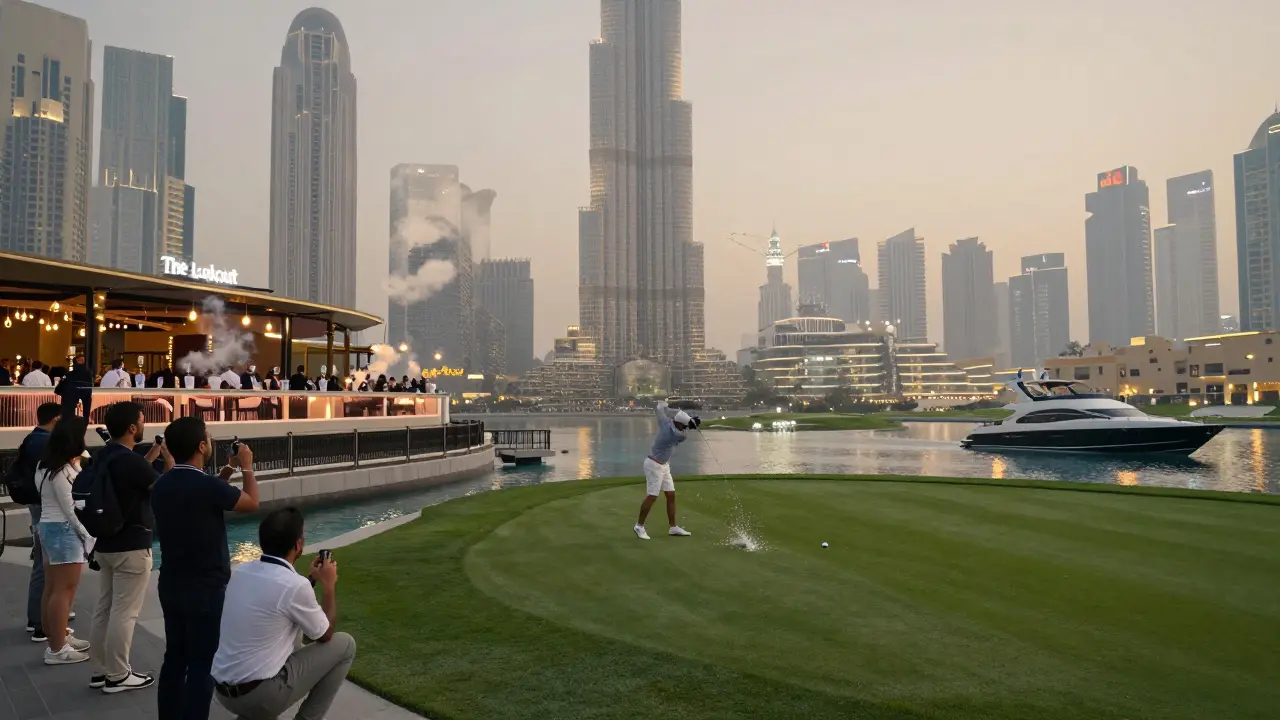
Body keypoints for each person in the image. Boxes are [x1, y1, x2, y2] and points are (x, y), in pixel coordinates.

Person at [151, 417, 259, 720]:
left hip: (171, 582)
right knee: (202, 663)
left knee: (175, 658)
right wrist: (247, 465)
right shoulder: (205, 486)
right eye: (208, 438)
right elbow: (251, 503)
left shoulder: (163, 484)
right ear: (201, 445)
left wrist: (229, 468)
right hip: (206, 588)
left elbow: (207, 490)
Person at [211, 509, 356, 719]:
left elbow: (280, 602)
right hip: (258, 697)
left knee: (294, 636)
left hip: (223, 691)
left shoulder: (241, 572)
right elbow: (324, 634)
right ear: (298, 545)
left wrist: (311, 580)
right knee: (346, 645)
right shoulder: (294, 586)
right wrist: (329, 586)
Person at [88, 401, 173, 693]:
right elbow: (164, 490)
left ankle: (100, 670)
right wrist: (169, 461)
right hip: (132, 545)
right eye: (142, 420)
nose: (145, 424)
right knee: (124, 612)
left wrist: (149, 457)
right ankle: (118, 674)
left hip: (105, 541)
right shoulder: (131, 462)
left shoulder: (105, 455)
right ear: (132, 428)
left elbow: (130, 481)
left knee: (105, 608)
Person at [35, 415, 93, 664]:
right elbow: (70, 507)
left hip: (49, 528)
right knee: (63, 590)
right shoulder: (60, 471)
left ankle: (56, 637)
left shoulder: (45, 465)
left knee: (52, 587)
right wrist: (87, 535)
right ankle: (57, 649)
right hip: (63, 529)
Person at [16, 403, 67, 643]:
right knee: (44, 562)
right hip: (45, 507)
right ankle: (39, 621)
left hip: (37, 504)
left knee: (45, 560)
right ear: (56, 419)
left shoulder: (31, 439)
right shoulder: (44, 444)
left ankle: (45, 615)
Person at [633, 401, 695, 540]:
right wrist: (691, 424)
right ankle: (639, 526)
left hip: (664, 465)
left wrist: (665, 404)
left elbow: (660, 408)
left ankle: (673, 527)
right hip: (654, 465)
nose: (685, 427)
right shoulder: (677, 435)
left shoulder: (665, 422)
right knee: (652, 496)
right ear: (680, 424)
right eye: (684, 425)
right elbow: (684, 433)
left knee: (671, 495)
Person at [57, 355, 93, 420]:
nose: (82, 362)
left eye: (83, 360)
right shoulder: (88, 373)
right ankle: (84, 420)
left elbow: (62, 381)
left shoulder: (68, 374)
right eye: (80, 360)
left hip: (72, 394)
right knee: (86, 407)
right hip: (84, 393)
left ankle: (68, 419)